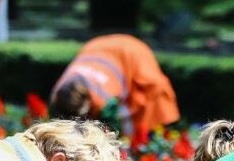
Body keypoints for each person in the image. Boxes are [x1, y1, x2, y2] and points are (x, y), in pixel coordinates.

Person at [49, 34, 180, 148]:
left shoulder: (105, 99)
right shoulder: (58, 95)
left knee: (151, 100)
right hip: (98, 47)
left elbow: (113, 131)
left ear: (88, 102)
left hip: (133, 53)